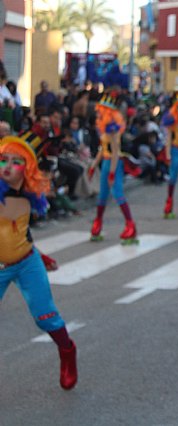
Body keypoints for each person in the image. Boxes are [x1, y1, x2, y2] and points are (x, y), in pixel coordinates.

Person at [0, 133, 77, 390]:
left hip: (25, 261)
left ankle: (67, 351)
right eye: (3, 160)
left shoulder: (29, 198)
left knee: (46, 317)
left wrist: (40, 256)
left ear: (28, 168)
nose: (7, 166)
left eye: (15, 161)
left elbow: (20, 234)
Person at [87, 95, 137, 244]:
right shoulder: (104, 129)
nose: (98, 113)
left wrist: (112, 173)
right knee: (102, 195)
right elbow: (103, 150)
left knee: (118, 193)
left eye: (101, 111)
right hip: (107, 163)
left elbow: (115, 152)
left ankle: (130, 225)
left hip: (115, 163)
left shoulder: (113, 129)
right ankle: (98, 223)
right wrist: (93, 166)